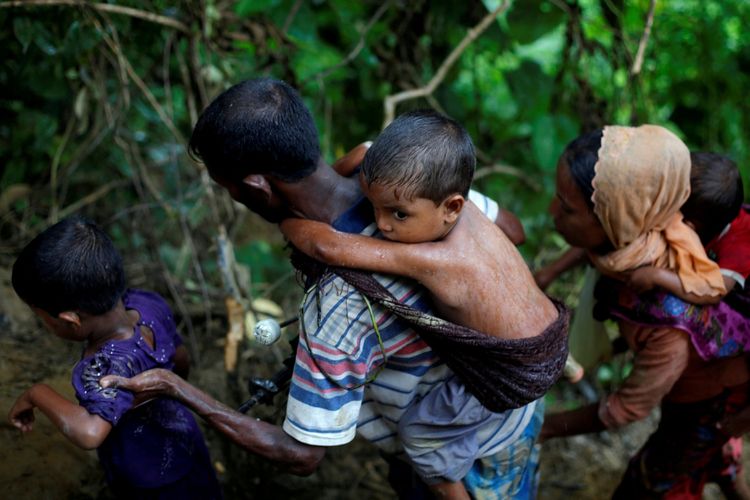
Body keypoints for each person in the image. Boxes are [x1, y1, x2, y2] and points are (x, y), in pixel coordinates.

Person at [100, 77, 546, 499]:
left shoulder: (339, 308)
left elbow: (301, 454)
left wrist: (177, 388)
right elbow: (513, 229)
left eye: (230, 190)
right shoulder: (408, 179)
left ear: (256, 189)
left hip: (466, 457)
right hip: (516, 409)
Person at [279, 109, 565, 499]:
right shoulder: (469, 210)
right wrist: (344, 173)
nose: (382, 224)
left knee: (420, 432)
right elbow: (365, 150)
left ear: (451, 207)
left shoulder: (439, 261)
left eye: (398, 213)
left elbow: (326, 245)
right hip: (547, 336)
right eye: (372, 205)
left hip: (514, 374)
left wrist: (284, 216)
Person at [540, 125, 750, 499]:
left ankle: (716, 449)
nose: (552, 211)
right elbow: (596, 243)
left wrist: (545, 427)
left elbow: (626, 408)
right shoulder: (643, 226)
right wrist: (549, 272)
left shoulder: (670, 320)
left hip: (706, 400)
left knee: (649, 483)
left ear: (615, 220)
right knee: (709, 455)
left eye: (567, 208)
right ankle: (725, 464)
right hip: (691, 380)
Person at [8, 216, 221, 499]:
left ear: (71, 320)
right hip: (186, 444)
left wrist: (36, 394)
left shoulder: (105, 365)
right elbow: (180, 360)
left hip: (149, 480)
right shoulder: (148, 304)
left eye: (43, 319)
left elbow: (89, 432)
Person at [627, 152, 747, 302]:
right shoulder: (710, 212)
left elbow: (714, 292)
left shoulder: (740, 245)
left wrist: (657, 276)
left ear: (690, 226)